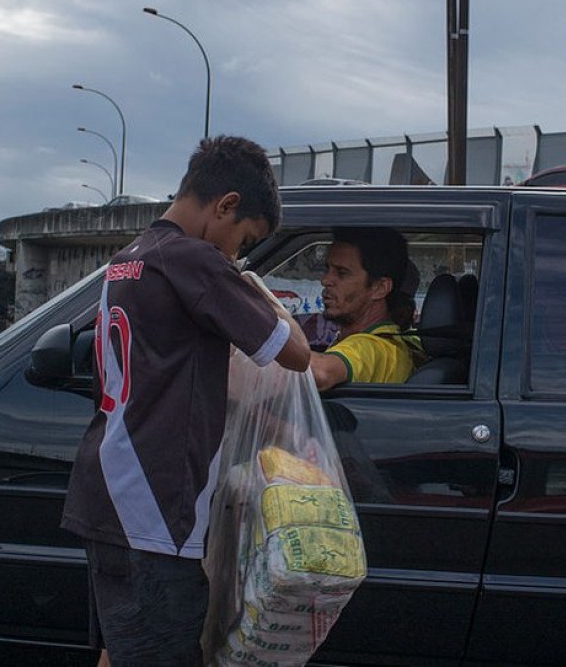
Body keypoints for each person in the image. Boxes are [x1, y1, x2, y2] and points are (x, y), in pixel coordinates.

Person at [60, 135, 310, 667]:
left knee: (122, 650)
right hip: (151, 508)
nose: (236, 254)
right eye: (243, 239)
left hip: (108, 490)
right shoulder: (193, 261)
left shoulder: (130, 257)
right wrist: (254, 288)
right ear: (226, 205)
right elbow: (296, 352)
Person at [309, 227, 421, 390]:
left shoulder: (374, 347)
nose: (326, 280)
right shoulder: (405, 341)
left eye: (342, 273)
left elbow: (319, 373)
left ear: (380, 288)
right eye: (327, 269)